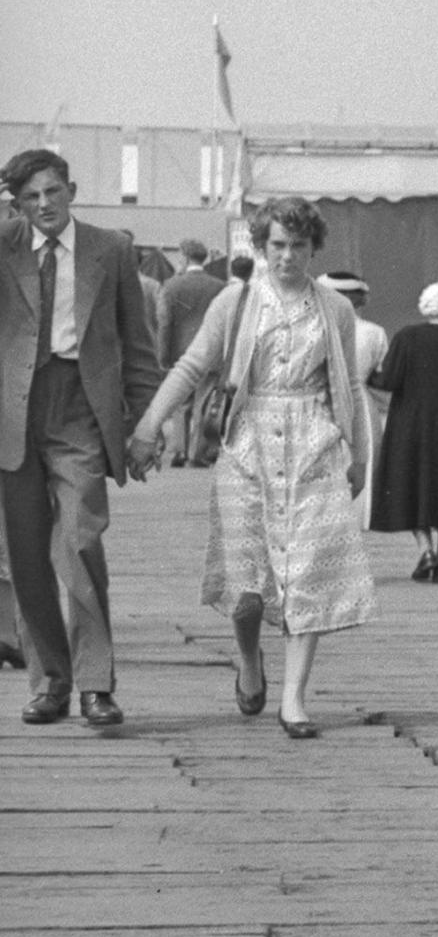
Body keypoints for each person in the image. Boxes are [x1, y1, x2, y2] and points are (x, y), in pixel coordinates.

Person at [129, 197, 377, 737]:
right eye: (277, 246)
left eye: (298, 246)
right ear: (261, 247)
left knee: (307, 573)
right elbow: (193, 365)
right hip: (247, 443)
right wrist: (151, 425)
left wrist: (359, 454)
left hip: (314, 442)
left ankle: (294, 698)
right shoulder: (236, 301)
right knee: (247, 585)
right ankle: (248, 658)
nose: (287, 257)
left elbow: (352, 386)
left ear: (314, 248)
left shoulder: (334, 308)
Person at [4, 147, 167, 731]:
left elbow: (139, 347)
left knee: (78, 542)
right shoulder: (3, 246)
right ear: (15, 204)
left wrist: (147, 425)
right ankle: (50, 684)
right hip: (12, 415)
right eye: (29, 198)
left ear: (70, 189)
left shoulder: (111, 250)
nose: (42, 205)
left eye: (51, 192)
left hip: (80, 411)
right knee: (25, 560)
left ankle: (97, 685)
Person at [367, 281, 438, 581]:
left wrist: (366, 375)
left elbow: (388, 380)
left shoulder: (407, 337)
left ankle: (425, 551)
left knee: (411, 487)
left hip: (411, 426)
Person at [155, 244, 224, 462]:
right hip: (210, 352)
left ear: (184, 258)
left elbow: (164, 323)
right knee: (202, 403)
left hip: (181, 353)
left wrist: (163, 355)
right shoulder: (219, 287)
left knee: (180, 404)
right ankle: (197, 453)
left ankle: (179, 451)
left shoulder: (171, 285)